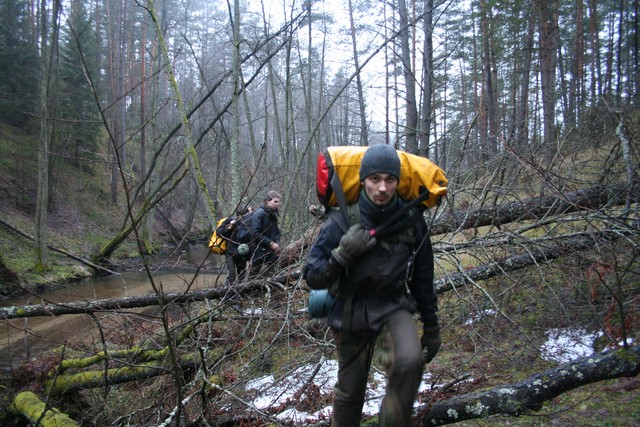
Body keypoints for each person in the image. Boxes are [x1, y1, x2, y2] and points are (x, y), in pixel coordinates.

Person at [303, 144, 441, 427]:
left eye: (390, 179)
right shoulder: (340, 219)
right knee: (350, 393)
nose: (382, 187)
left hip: (392, 306)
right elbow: (312, 276)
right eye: (374, 179)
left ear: (398, 181)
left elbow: (423, 276)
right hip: (349, 310)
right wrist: (341, 256)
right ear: (363, 179)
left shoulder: (412, 219)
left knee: (410, 361)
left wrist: (432, 325)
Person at [247, 190, 282, 276]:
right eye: (275, 201)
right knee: (253, 275)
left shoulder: (273, 215)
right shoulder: (259, 213)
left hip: (270, 251)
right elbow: (255, 233)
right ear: (267, 201)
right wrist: (271, 244)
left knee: (269, 275)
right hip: (257, 250)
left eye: (279, 202)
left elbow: (277, 232)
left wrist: (277, 244)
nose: (278, 204)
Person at [216, 205, 253, 284]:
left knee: (242, 275)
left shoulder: (250, 223)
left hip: (243, 254)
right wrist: (229, 228)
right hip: (230, 253)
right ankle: (228, 291)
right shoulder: (230, 220)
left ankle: (239, 291)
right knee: (231, 274)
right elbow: (218, 232)